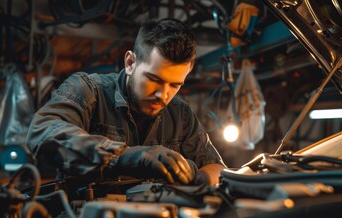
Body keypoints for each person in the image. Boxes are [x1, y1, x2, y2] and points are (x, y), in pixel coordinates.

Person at [26, 18, 226, 186]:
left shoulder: (180, 114)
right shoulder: (88, 90)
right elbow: (42, 130)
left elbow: (218, 169)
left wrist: (197, 178)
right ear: (130, 63)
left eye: (175, 85)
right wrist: (124, 157)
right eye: (154, 79)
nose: (163, 94)